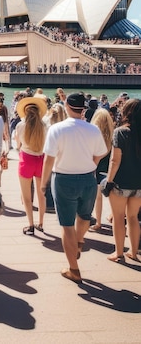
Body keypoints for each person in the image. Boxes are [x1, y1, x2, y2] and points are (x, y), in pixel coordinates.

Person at [41, 92, 108, 283]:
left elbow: (49, 160)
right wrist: (91, 165)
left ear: (67, 107)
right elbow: (100, 154)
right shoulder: (93, 130)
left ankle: (74, 269)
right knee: (85, 217)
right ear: (83, 109)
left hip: (63, 179)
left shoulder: (57, 129)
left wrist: (44, 183)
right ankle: (78, 241)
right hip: (88, 178)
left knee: (67, 225)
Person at [102, 98, 141, 262]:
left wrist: (108, 182)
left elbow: (115, 160)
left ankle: (118, 252)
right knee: (133, 217)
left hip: (120, 183)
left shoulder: (120, 132)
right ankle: (133, 251)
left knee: (118, 217)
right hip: (138, 184)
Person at [13, 96, 48, 234]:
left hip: (26, 159)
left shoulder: (20, 126)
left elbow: (18, 144)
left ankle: (31, 225)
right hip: (41, 159)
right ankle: (41, 222)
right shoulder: (44, 126)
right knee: (41, 195)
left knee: (27, 196)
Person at [88, 108, 114, 232]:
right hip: (110, 170)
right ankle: (115, 218)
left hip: (97, 170)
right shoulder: (113, 136)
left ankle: (98, 222)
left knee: (98, 198)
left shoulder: (93, 135)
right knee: (113, 199)